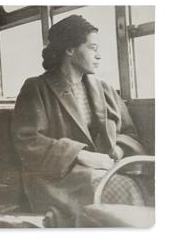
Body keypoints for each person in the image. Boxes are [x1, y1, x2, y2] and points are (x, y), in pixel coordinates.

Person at [12, 15, 146, 226]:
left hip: (105, 169)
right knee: (123, 187)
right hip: (57, 178)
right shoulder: (36, 88)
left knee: (146, 184)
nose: (99, 55)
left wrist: (115, 152)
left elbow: (128, 133)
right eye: (93, 48)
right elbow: (27, 141)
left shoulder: (104, 89)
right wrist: (80, 156)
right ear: (70, 50)